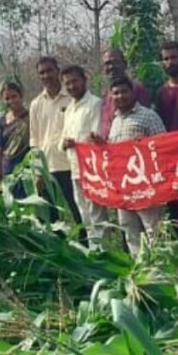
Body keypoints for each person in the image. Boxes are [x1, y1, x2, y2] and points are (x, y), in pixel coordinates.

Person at [99, 76, 166, 257]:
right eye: (116, 93)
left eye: (124, 92)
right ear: (111, 97)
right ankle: (140, 268)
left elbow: (163, 145)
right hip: (123, 187)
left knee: (153, 230)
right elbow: (113, 153)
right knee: (130, 231)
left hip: (145, 186)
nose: (120, 96)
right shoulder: (115, 121)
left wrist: (143, 145)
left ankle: (161, 269)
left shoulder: (148, 116)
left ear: (132, 93)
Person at [60, 65, 108, 247]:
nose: (72, 86)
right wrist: (64, 144)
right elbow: (63, 138)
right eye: (67, 84)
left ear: (84, 80)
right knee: (84, 214)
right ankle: (93, 256)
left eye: (74, 81)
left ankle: (102, 253)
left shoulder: (94, 103)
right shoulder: (69, 108)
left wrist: (80, 143)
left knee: (96, 214)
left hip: (91, 169)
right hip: (74, 167)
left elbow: (96, 135)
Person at [29, 57, 75, 219]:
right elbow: (34, 140)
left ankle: (85, 243)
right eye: (42, 73)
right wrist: (37, 172)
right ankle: (57, 243)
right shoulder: (36, 104)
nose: (46, 75)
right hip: (47, 168)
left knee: (77, 212)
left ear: (57, 70)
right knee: (50, 216)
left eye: (49, 71)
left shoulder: (71, 98)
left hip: (71, 165)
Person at [155, 40, 178, 235]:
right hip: (170, 156)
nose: (170, 62)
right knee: (175, 205)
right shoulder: (161, 93)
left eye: (174, 57)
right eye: (166, 59)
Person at [98, 48, 152, 140]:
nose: (111, 67)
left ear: (124, 64)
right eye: (107, 64)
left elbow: (147, 121)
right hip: (110, 149)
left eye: (115, 62)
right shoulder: (106, 93)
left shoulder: (136, 88)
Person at [0, 80, 31, 196]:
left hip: (26, 171)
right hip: (7, 170)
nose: (11, 101)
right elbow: (0, 149)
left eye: (14, 96)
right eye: (7, 98)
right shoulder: (2, 120)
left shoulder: (30, 117)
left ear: (21, 96)